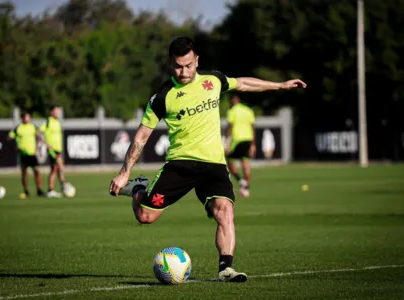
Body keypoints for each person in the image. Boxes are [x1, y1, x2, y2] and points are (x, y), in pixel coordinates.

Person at [109, 36, 306, 282]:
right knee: (145, 217)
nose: (184, 71)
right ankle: (139, 189)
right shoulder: (162, 97)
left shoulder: (213, 80)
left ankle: (226, 269)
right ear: (171, 64)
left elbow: (243, 83)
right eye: (178, 66)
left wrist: (281, 86)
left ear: (197, 60)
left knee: (225, 212)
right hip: (180, 165)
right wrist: (125, 173)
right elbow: (141, 137)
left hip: (214, 165)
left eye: (189, 65)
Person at [225, 93, 256, 197]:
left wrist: (227, 142)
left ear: (233, 100)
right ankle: (246, 188)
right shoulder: (248, 110)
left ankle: (240, 180)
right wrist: (253, 144)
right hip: (248, 139)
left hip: (237, 140)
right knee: (245, 161)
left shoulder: (232, 111)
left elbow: (230, 127)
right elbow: (253, 128)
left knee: (229, 161)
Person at [8, 111, 45, 198]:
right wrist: (15, 148)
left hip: (32, 153)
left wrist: (38, 147)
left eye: (28, 117)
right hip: (23, 154)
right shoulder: (18, 128)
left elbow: (39, 136)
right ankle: (26, 191)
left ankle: (39, 190)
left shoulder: (33, 127)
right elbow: (9, 138)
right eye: (25, 117)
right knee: (25, 173)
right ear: (22, 118)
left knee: (37, 171)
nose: (27, 119)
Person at [40, 105, 64, 198]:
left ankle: (56, 187)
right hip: (52, 150)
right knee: (57, 167)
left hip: (58, 149)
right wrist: (45, 143)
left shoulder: (57, 122)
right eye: (56, 111)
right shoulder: (48, 121)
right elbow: (38, 133)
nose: (58, 113)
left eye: (58, 111)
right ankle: (58, 186)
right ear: (51, 112)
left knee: (56, 168)